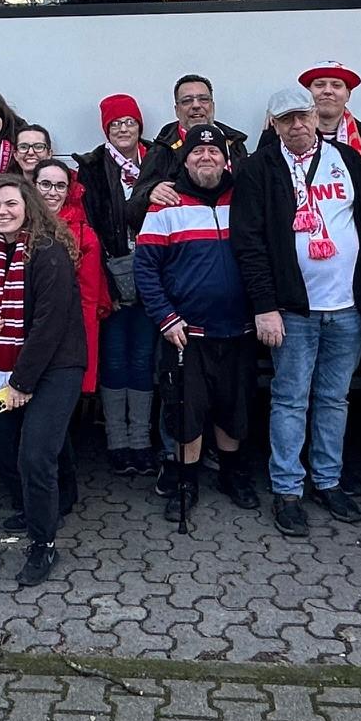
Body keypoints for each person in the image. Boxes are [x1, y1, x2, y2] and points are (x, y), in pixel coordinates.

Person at [232, 84, 361, 537]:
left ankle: (328, 481)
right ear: (272, 125)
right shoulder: (258, 169)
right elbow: (249, 243)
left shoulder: (349, 160)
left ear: (316, 116)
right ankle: (288, 490)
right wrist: (265, 307)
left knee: (335, 398)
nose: (296, 125)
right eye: (285, 119)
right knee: (290, 399)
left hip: (346, 306)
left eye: (303, 116)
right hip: (292, 310)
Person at [0, 177, 88, 587]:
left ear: (28, 206)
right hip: (9, 364)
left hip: (55, 366)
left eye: (10, 204)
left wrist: (21, 385)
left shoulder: (48, 252)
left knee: (36, 454)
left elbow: (50, 326)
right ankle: (49, 497)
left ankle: (43, 543)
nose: (2, 211)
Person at [133, 124, 257, 515]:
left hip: (240, 329)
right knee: (187, 411)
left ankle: (231, 474)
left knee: (233, 409)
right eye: (197, 153)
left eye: (214, 152)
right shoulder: (166, 206)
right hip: (187, 334)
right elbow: (145, 270)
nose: (207, 158)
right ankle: (186, 483)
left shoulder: (245, 199)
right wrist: (166, 319)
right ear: (185, 160)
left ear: (226, 158)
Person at [74, 94, 155, 475]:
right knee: (114, 360)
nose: (123, 129)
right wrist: (107, 279)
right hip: (110, 276)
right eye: (116, 124)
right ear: (106, 129)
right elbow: (88, 225)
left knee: (142, 359)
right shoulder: (91, 167)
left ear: (140, 126)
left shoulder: (157, 159)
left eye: (130, 122)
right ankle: (116, 442)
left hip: (152, 274)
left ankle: (140, 440)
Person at [32, 157, 109, 411]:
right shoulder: (14, 222)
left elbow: (88, 302)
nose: (52, 192)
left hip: (63, 343)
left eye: (60, 186)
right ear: (32, 186)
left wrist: (86, 371)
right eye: (45, 184)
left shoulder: (85, 234)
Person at [128, 74, 250, 230]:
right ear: (176, 110)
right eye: (187, 101)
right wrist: (148, 195)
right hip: (187, 243)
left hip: (234, 238)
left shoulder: (235, 144)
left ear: (212, 105)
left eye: (203, 99)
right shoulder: (161, 151)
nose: (196, 105)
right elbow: (132, 211)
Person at [300, 61, 361, 189]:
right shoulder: (283, 135)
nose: (328, 91)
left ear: (348, 95)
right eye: (319, 85)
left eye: (336, 85)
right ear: (307, 93)